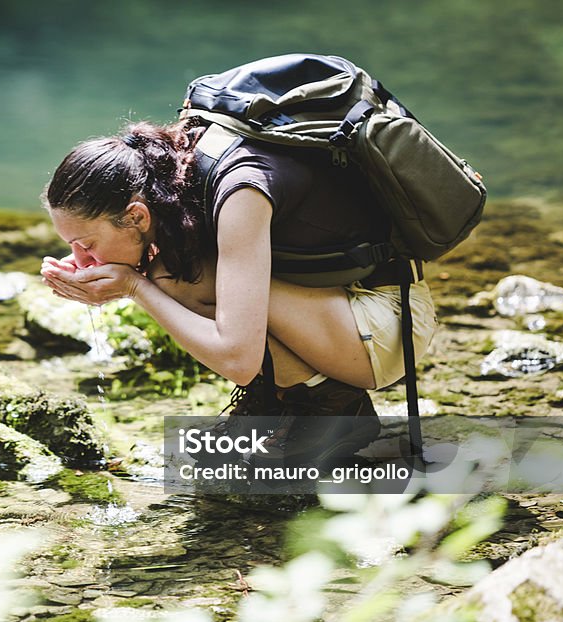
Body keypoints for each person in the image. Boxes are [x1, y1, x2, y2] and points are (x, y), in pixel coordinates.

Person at [39, 118, 438, 452]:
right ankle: (280, 403)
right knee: (175, 273)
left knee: (180, 278)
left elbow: (236, 357)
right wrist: (106, 270)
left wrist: (134, 287)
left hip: (389, 327)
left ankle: (331, 410)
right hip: (339, 313)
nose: (84, 259)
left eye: (86, 245)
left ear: (137, 216)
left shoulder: (240, 193)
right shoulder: (174, 172)